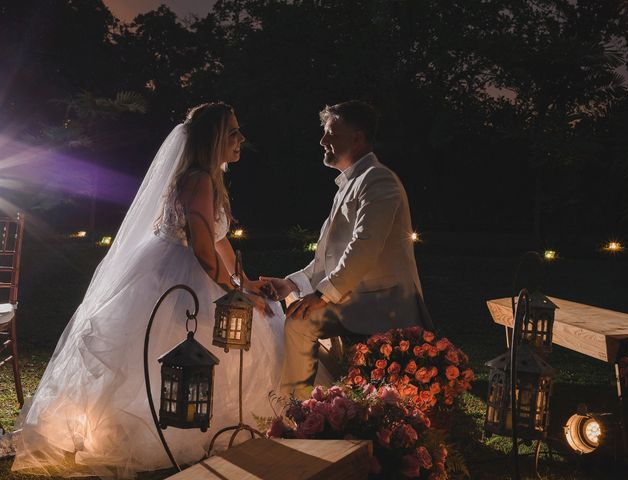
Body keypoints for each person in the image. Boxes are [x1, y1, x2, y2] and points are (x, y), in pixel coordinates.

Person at [12, 102, 284, 478]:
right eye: (233, 132)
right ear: (214, 138)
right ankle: (160, 428)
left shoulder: (209, 176)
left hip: (185, 267)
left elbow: (220, 243)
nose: (241, 139)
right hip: (174, 276)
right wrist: (240, 295)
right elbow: (204, 254)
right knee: (175, 348)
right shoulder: (197, 179)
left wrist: (245, 280)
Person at [261, 100, 433, 399]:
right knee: (299, 317)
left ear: (357, 137)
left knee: (300, 321)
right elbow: (329, 258)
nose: (322, 140)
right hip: (356, 298)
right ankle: (302, 407)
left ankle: (297, 408)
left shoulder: (378, 179)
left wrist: (324, 294)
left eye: (331, 133)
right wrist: (291, 283)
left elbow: (364, 246)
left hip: (381, 303)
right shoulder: (349, 184)